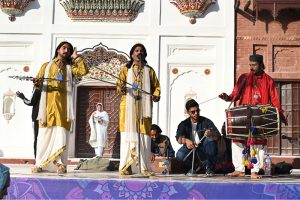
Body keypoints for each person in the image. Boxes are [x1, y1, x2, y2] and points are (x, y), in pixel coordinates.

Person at [219, 54, 288, 179]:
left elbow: (274, 99)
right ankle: (239, 169)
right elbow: (235, 94)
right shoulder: (244, 78)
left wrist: (280, 114)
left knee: (257, 143)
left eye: (254, 65)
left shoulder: (268, 80)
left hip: (259, 116)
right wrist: (227, 98)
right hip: (244, 115)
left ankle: (254, 171)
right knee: (237, 140)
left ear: (261, 65)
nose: (251, 67)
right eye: (250, 65)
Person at [32, 41, 88, 174]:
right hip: (47, 108)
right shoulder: (46, 66)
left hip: (63, 109)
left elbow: (83, 71)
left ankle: (60, 164)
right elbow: (38, 83)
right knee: (44, 136)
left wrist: (76, 58)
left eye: (68, 49)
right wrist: (37, 82)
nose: (66, 51)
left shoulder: (70, 68)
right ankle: (40, 164)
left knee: (61, 134)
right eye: (64, 48)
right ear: (58, 49)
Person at [116, 43, 161, 176]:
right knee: (127, 136)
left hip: (144, 108)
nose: (139, 52)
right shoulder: (125, 69)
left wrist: (156, 95)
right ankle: (126, 166)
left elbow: (156, 87)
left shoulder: (149, 70)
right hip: (128, 108)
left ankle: (144, 167)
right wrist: (122, 87)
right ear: (132, 54)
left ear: (145, 54)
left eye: (142, 51)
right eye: (136, 50)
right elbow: (119, 86)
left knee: (143, 136)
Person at [176, 99, 221, 177]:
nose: (196, 113)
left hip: (204, 149)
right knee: (179, 155)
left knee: (210, 140)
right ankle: (196, 166)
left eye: (198, 111)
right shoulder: (183, 124)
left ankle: (209, 167)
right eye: (193, 112)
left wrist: (211, 134)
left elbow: (218, 136)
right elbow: (178, 139)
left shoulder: (206, 121)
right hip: (191, 150)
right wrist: (186, 141)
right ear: (188, 112)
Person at [16, 79, 41, 159]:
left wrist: (23, 98)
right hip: (44, 117)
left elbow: (31, 102)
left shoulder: (37, 90)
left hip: (37, 117)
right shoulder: (45, 91)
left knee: (37, 138)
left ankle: (37, 158)